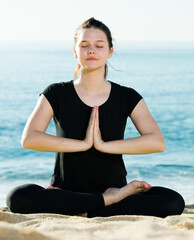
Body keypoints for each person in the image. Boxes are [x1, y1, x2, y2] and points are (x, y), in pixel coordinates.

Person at [6, 17, 185, 218]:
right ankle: (106, 202)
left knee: (173, 201)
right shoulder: (56, 93)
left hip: (113, 188)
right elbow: (29, 138)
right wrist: (83, 144)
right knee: (17, 197)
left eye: (99, 45)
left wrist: (102, 145)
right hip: (67, 191)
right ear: (75, 51)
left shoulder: (127, 96)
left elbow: (157, 142)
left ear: (110, 51)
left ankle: (88, 205)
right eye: (84, 45)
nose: (91, 50)